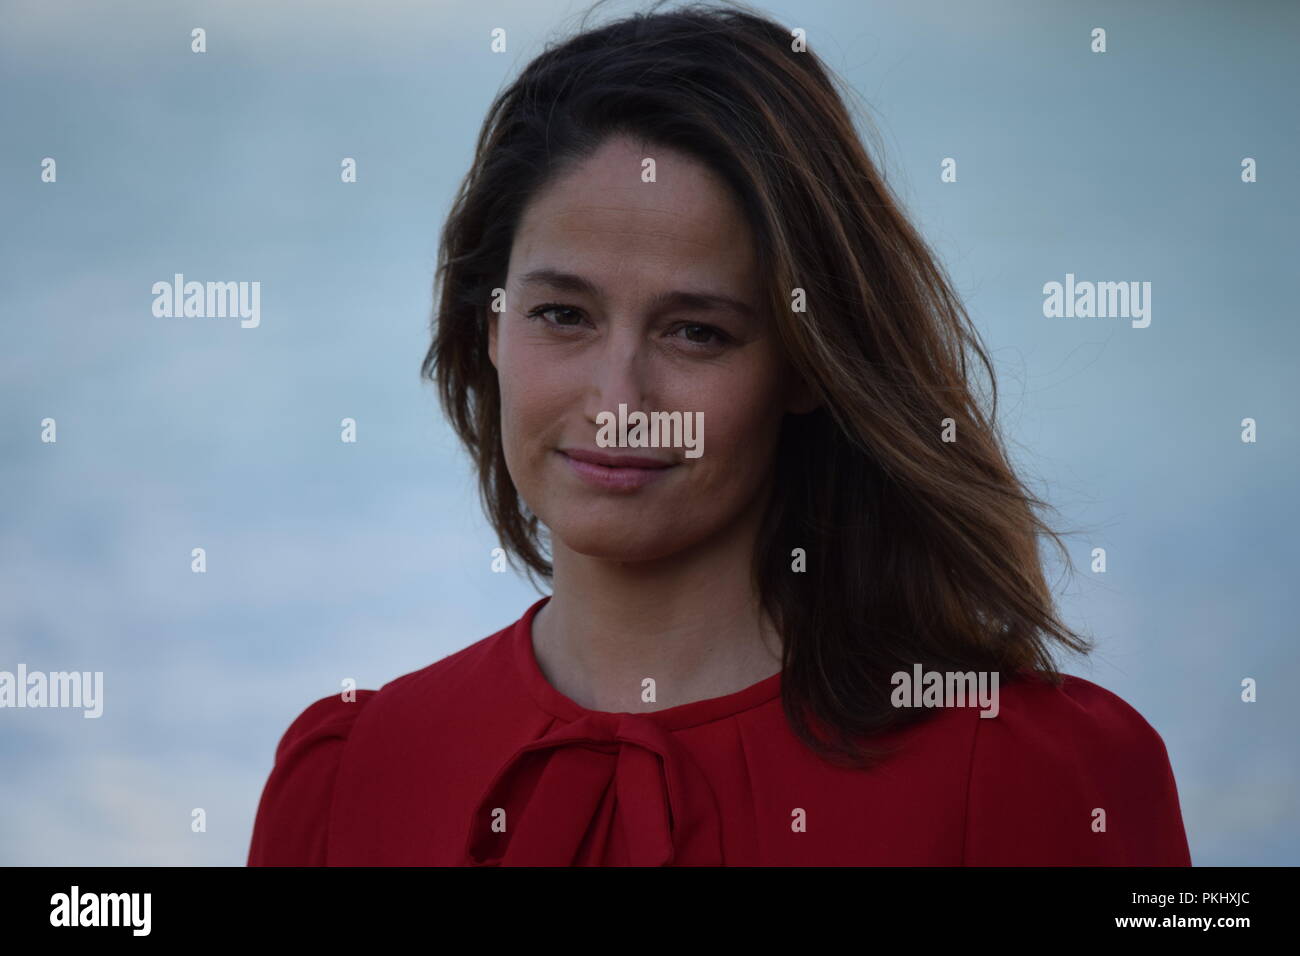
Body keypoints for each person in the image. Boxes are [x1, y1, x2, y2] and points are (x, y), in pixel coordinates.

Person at [248, 2, 1191, 866]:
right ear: (485, 326)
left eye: (696, 331)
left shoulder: (1038, 777)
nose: (619, 396)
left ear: (810, 364)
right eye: (563, 316)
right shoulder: (350, 780)